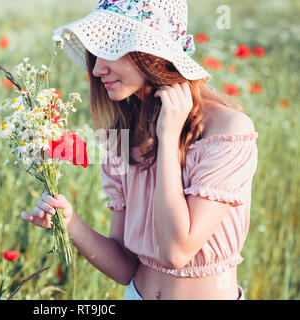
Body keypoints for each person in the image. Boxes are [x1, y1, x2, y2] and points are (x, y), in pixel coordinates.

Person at [21, 0, 258, 300]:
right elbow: (124, 268)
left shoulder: (228, 130)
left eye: (110, 51)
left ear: (152, 54)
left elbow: (176, 251)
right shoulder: (125, 136)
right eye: (95, 54)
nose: (96, 69)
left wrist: (169, 138)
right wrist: (70, 221)